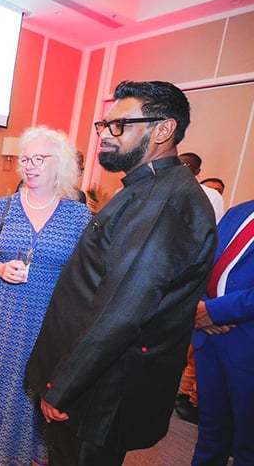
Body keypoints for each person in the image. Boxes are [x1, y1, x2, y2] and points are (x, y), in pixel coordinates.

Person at [24, 80, 218, 465]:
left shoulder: (165, 202)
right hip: (97, 381)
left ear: (163, 130)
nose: (106, 137)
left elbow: (122, 310)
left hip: (100, 390)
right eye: (104, 126)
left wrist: (61, 386)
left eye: (120, 126)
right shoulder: (146, 190)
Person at [0, 126, 92, 466]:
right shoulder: (4, 207)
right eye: (25, 159)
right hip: (2, 313)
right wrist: (0, 268)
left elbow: (87, 271)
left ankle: (32, 449)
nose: (30, 166)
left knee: (36, 382)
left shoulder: (78, 215)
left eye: (39, 158)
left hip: (49, 316)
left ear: (59, 164)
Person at [191, 199, 254, 466]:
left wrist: (216, 311)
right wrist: (197, 306)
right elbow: (202, 261)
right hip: (211, 338)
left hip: (247, 343)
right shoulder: (241, 211)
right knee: (210, 432)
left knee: (248, 444)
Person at [175, 153, 225, 425]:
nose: (183, 169)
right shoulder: (162, 186)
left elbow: (210, 239)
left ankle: (186, 394)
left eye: (188, 166)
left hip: (191, 273)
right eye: (180, 163)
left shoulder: (210, 196)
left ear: (197, 170)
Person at [180, 152, 225, 223]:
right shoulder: (162, 187)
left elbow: (215, 224)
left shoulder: (213, 195)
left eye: (185, 165)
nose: (179, 168)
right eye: (176, 164)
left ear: (197, 171)